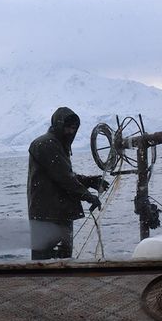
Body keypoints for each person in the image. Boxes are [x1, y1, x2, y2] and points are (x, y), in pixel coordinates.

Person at [27, 107, 109, 260]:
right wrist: (88, 196)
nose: (70, 131)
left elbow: (63, 174)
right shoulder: (46, 144)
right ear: (58, 125)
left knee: (61, 262)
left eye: (73, 128)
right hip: (48, 216)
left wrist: (90, 181)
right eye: (67, 127)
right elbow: (64, 177)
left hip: (57, 213)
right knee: (48, 263)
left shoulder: (56, 144)